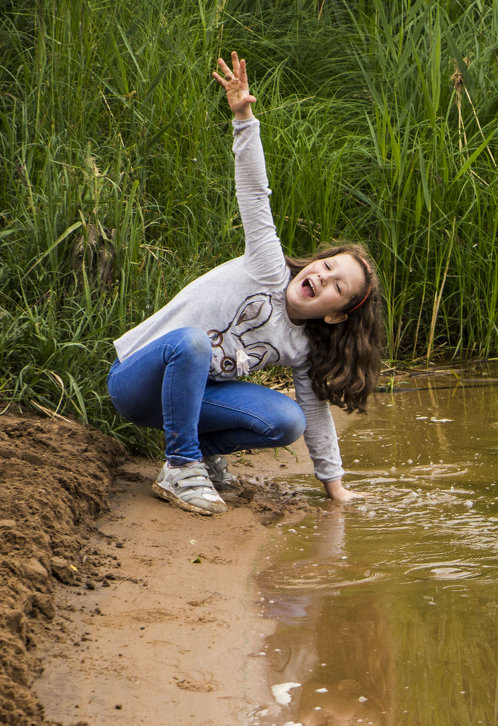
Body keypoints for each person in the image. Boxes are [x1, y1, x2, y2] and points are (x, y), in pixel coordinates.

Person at [106, 52, 383, 514]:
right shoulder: (268, 266)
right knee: (193, 345)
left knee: (286, 419)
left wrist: (335, 488)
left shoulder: (303, 346)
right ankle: (180, 466)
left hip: (189, 403)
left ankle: (203, 456)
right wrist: (243, 117)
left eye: (337, 285)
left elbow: (315, 417)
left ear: (336, 314)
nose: (323, 275)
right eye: (327, 265)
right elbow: (255, 192)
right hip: (137, 382)